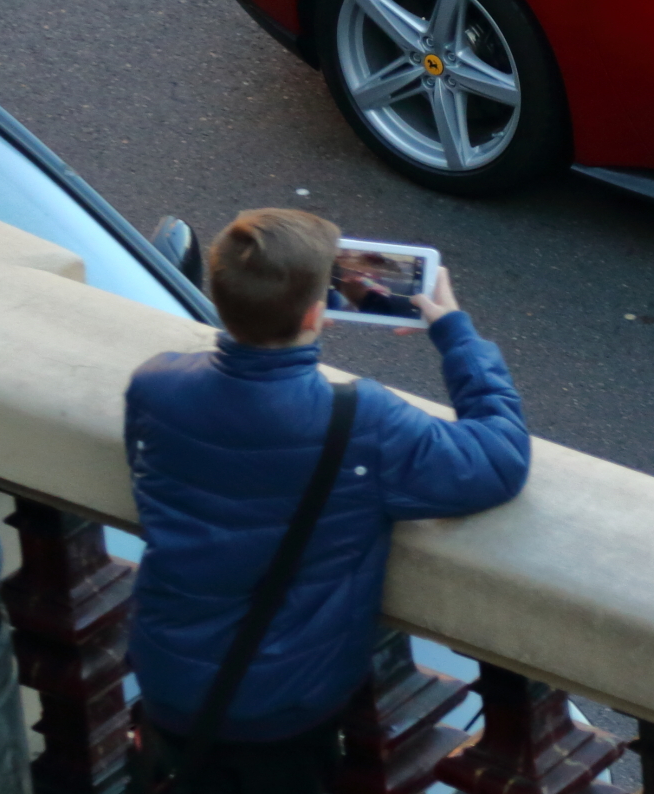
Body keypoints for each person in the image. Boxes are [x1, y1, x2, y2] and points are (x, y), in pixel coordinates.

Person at [125, 210, 530, 794]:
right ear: (318, 313)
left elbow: (148, 479)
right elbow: (499, 459)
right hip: (285, 705)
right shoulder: (360, 420)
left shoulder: (156, 383)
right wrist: (456, 332)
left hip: (169, 677)